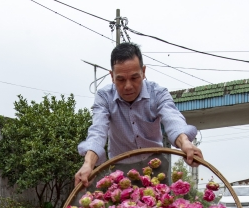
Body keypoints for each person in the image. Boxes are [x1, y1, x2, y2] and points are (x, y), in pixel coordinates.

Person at [74, 42, 202, 188]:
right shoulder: (104, 97)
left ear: (143, 72)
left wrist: (185, 143)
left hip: (155, 164)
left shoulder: (158, 93)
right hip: (120, 170)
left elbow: (173, 119)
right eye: (121, 79)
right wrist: (88, 163)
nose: (128, 86)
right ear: (112, 76)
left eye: (134, 78)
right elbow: (98, 130)